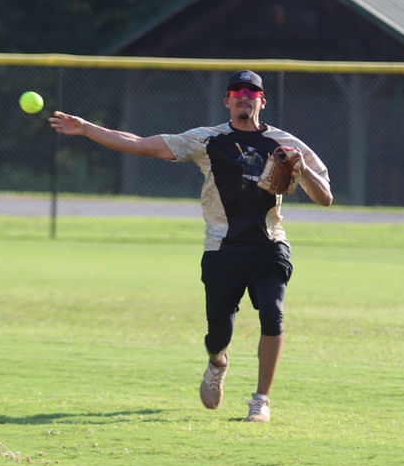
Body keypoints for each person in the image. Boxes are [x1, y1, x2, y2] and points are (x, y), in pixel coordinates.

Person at [48, 70, 332, 422]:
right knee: (219, 332)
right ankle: (217, 361)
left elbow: (325, 198)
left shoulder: (285, 144)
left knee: (273, 315)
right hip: (222, 248)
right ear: (227, 100)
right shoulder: (207, 141)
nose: (244, 95)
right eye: (237, 90)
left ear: (262, 100)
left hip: (269, 244)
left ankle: (261, 400)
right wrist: (88, 128)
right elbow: (140, 144)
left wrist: (302, 170)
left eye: (252, 91)